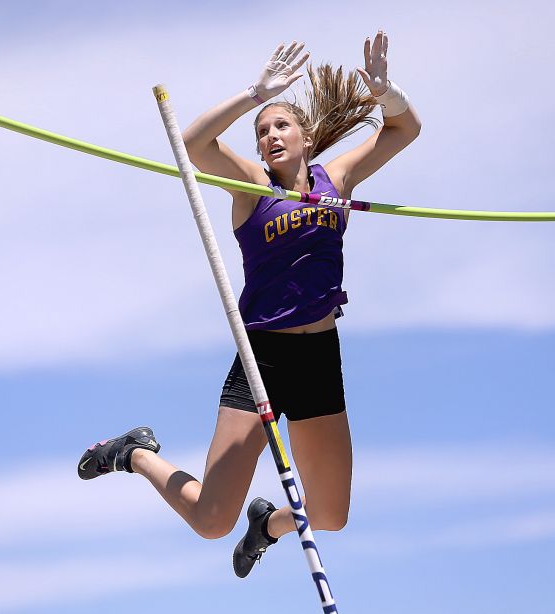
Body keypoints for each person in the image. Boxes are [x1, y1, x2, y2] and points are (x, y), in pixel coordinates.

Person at [76, 31, 421, 579]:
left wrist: (385, 93)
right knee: (212, 521)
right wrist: (255, 95)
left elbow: (406, 129)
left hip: (319, 359)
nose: (270, 136)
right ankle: (135, 452)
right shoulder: (252, 188)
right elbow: (192, 145)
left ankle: (267, 526)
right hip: (263, 358)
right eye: (263, 132)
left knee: (330, 515)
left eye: (281, 125)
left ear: (306, 137)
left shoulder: (337, 179)